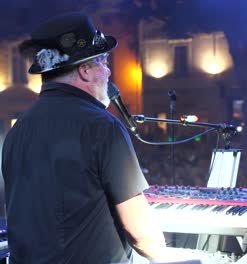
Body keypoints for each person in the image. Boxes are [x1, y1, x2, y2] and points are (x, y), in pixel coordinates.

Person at [1, 13, 169, 263]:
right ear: (85, 71)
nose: (109, 71)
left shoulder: (16, 132)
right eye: (103, 61)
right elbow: (141, 233)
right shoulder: (103, 127)